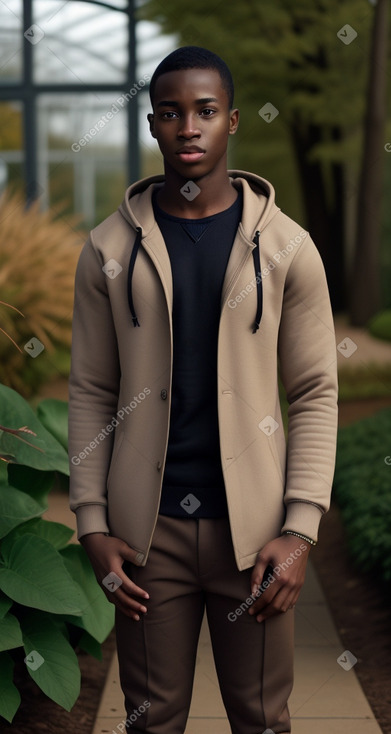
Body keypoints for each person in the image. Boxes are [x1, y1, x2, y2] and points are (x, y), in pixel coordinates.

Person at [68, 46, 338, 734]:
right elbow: (93, 391)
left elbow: (312, 391)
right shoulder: (106, 250)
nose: (188, 126)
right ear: (154, 126)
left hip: (252, 541)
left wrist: (299, 530)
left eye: (205, 111)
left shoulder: (286, 248)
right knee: (149, 720)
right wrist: (93, 524)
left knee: (262, 720)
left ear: (232, 122)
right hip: (142, 541)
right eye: (170, 112)